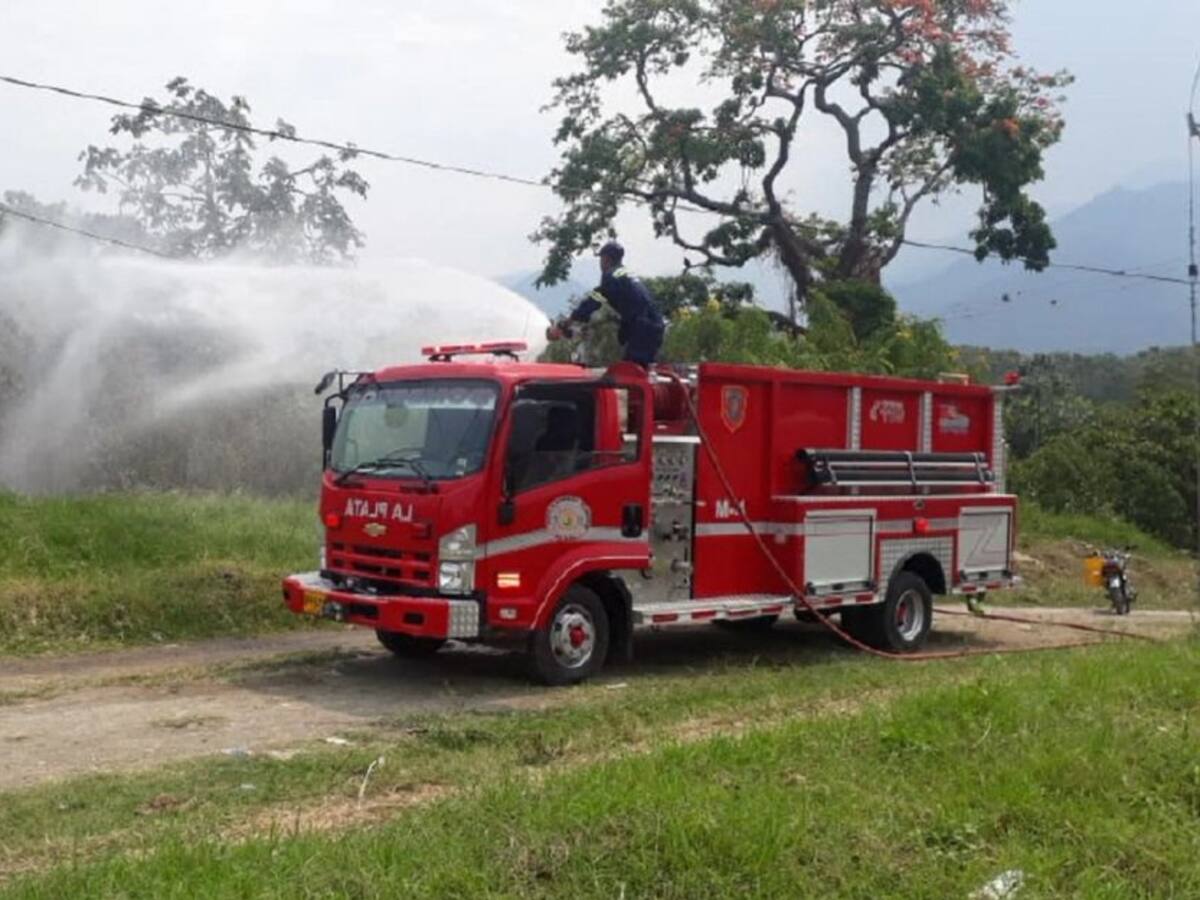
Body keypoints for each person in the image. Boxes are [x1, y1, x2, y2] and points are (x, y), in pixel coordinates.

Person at [546, 242, 664, 366]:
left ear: (606, 258)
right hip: (655, 325)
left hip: (642, 328)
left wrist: (567, 322)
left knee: (631, 372)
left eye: (601, 258)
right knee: (643, 369)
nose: (600, 263)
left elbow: (594, 301)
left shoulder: (610, 276)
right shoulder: (625, 274)